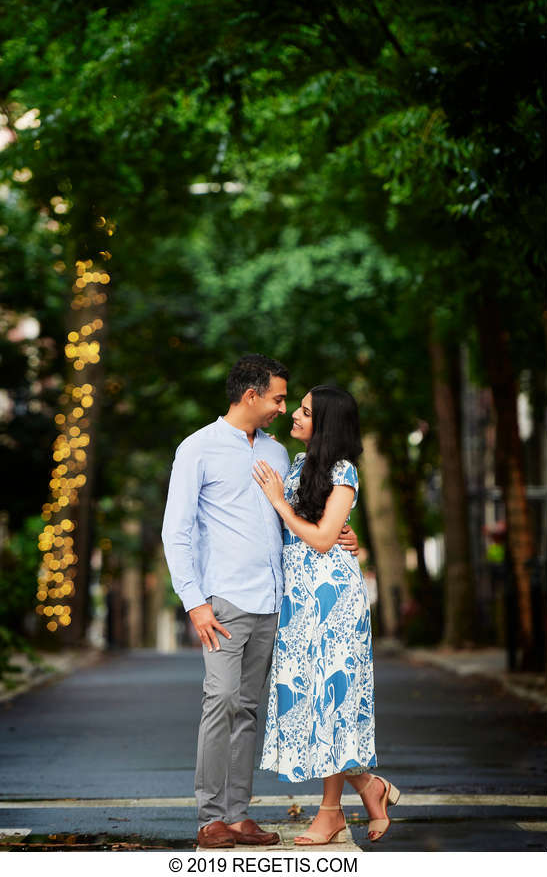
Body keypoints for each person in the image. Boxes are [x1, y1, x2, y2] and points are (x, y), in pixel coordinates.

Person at [161, 355, 359, 849]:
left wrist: (344, 536)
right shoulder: (197, 449)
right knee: (221, 701)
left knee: (249, 708)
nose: (283, 408)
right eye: (277, 398)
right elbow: (176, 531)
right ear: (250, 396)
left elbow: (308, 511)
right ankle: (211, 817)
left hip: (275, 601)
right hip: (223, 601)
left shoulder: (278, 452)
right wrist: (194, 602)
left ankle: (239, 814)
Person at [253, 385, 400, 846]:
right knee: (312, 699)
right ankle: (370, 787)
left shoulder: (344, 470)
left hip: (334, 603)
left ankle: (331, 811)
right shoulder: (298, 466)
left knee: (330, 703)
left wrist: (281, 503)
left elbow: (319, 540)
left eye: (304, 411)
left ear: (325, 425)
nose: (294, 414)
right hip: (299, 602)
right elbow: (323, 528)